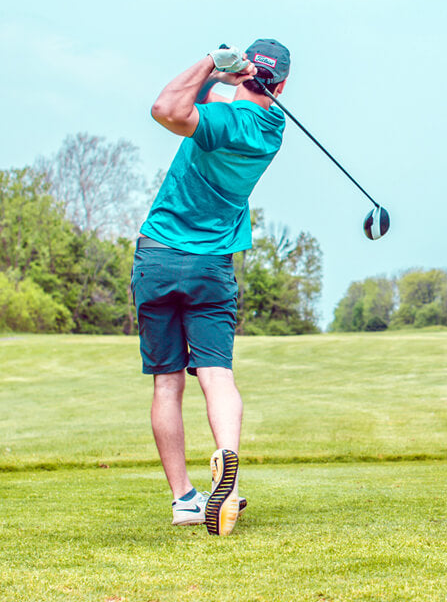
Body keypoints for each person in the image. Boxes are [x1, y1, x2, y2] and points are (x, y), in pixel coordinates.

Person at [132, 39, 290, 536]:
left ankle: (184, 499)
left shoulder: (220, 122)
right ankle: (228, 472)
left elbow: (166, 108)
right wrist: (230, 78)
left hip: (157, 257)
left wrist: (211, 63)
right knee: (217, 374)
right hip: (210, 269)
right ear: (281, 85)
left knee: (167, 381)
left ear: (246, 74)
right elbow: (204, 109)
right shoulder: (272, 130)